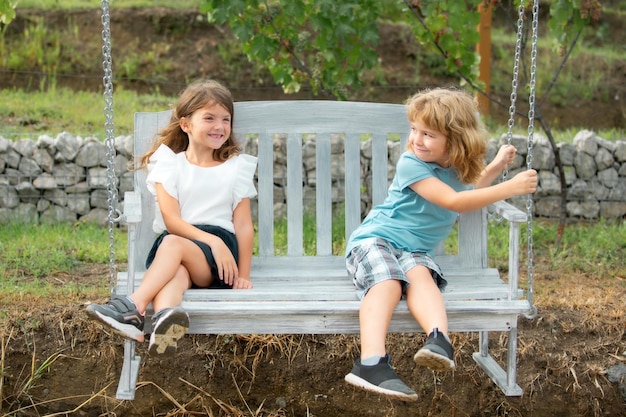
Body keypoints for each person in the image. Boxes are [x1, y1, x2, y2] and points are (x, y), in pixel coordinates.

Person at [343, 87, 538, 401]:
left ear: (456, 140)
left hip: (415, 250)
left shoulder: (458, 167)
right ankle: (370, 362)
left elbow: (469, 187)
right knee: (389, 283)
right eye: (414, 130)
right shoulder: (412, 163)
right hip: (376, 240)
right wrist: (510, 187)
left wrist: (498, 167)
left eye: (428, 134)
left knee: (423, 278)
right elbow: (455, 201)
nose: (416, 139)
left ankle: (438, 339)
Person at [87, 79, 257, 356]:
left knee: (173, 245)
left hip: (220, 257)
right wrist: (208, 241)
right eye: (209, 118)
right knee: (176, 270)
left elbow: (243, 225)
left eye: (226, 119)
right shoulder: (169, 164)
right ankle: (166, 318)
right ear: (186, 124)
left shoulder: (235, 168)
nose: (219, 126)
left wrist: (243, 274)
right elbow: (171, 220)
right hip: (179, 246)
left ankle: (133, 306)